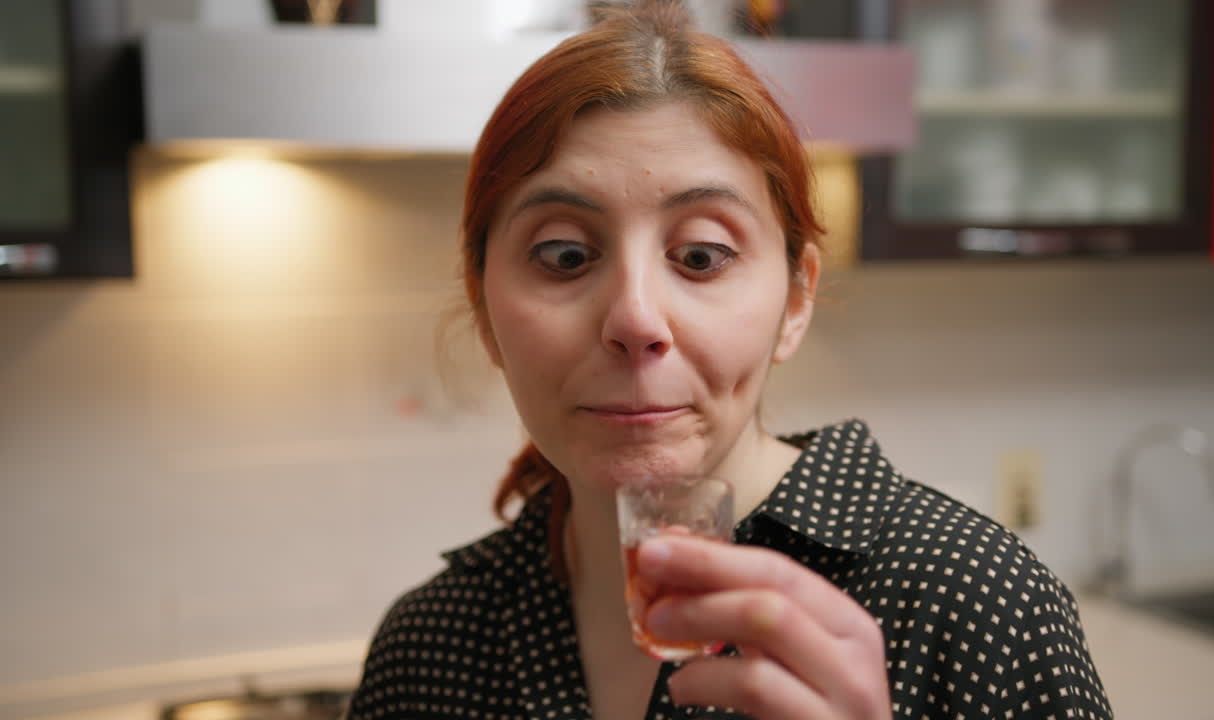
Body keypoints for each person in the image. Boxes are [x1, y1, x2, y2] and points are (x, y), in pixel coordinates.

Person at [346, 2, 1113, 718]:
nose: (636, 320)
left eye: (702, 256)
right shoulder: (426, 651)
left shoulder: (979, 603)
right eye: (566, 255)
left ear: (797, 299)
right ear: (484, 308)